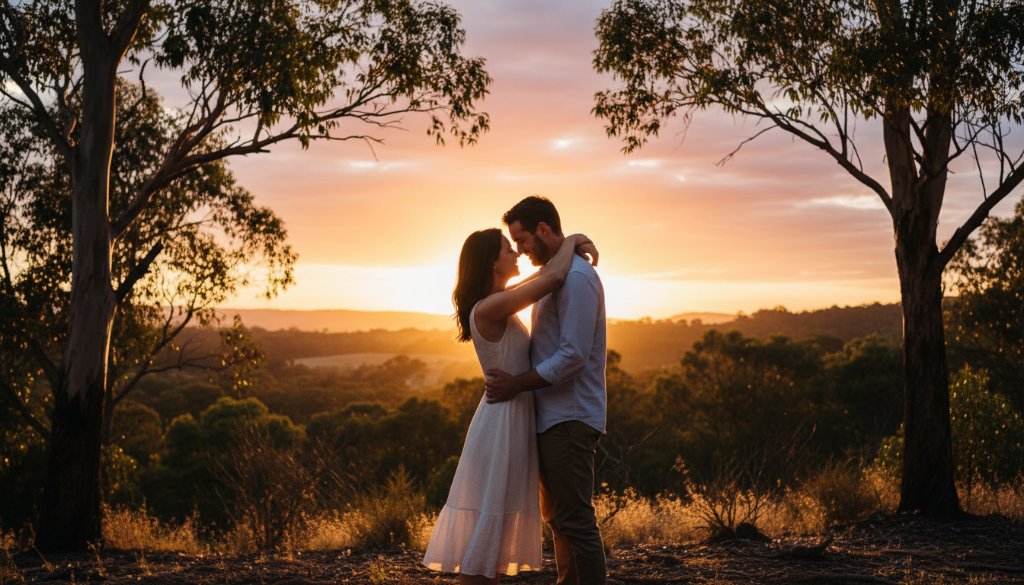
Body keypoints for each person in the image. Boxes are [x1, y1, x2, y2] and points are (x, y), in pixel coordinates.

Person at [422, 226, 597, 584]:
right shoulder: (491, 307)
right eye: (507, 249)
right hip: (501, 425)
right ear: (491, 263)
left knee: (493, 545)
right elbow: (552, 278)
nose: (516, 253)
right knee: (485, 544)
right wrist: (572, 240)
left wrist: (569, 243)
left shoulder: (499, 298)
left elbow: (545, 275)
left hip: (513, 420)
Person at [485, 196, 608, 585]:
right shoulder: (554, 276)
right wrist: (571, 240)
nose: (519, 250)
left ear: (541, 230)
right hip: (550, 418)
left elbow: (572, 356)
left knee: (576, 520)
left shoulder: (576, 278)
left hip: (570, 417)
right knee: (558, 520)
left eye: (520, 240)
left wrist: (516, 385)